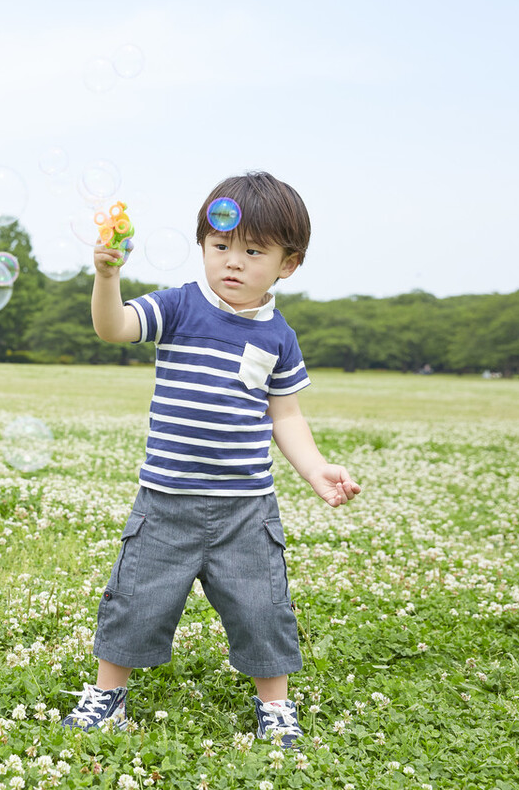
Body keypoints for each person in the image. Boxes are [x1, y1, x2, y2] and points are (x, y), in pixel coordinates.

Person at [62, 172, 360, 748]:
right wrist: (107, 276)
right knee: (135, 599)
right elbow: (114, 327)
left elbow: (286, 417)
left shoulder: (280, 337)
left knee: (262, 607)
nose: (233, 262)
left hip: (246, 508)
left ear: (287, 264)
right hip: (166, 500)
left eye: (254, 251)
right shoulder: (178, 307)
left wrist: (316, 469)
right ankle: (108, 695)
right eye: (221, 245)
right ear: (203, 245)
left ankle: (275, 705)